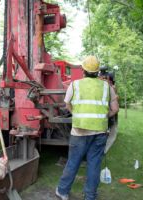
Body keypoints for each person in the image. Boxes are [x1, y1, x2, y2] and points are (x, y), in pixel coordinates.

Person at [55, 56, 119, 200]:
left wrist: (77, 114)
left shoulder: (75, 85)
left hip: (79, 131)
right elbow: (115, 109)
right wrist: (103, 116)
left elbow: (67, 104)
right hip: (100, 132)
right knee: (94, 164)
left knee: (73, 162)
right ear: (98, 72)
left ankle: (63, 191)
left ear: (83, 70)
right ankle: (90, 196)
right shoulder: (107, 87)